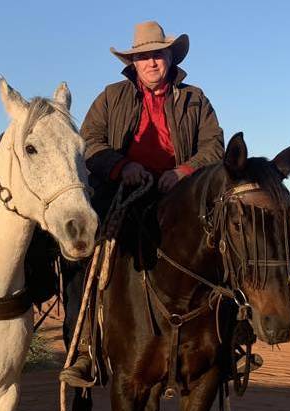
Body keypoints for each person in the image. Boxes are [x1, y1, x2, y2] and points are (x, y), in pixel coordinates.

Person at [59, 21, 226, 387]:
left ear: (170, 57)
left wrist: (184, 171)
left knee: (228, 244)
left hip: (180, 194)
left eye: (158, 55)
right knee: (85, 259)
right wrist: (122, 166)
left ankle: (232, 339)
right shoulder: (111, 96)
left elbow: (214, 147)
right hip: (122, 190)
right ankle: (84, 347)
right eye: (144, 56)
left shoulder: (195, 99)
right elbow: (89, 142)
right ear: (133, 63)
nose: (152, 62)